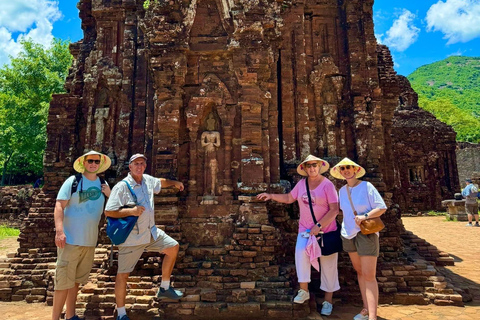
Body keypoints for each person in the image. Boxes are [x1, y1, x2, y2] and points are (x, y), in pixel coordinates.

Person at [257, 154, 340, 316]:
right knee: (301, 253)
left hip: (326, 231)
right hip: (306, 230)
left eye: (314, 165)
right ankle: (304, 290)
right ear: (305, 169)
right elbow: (289, 197)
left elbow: (334, 209)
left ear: (319, 166)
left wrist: (319, 225)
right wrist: (271, 196)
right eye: (309, 166)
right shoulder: (301, 184)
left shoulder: (328, 185)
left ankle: (328, 301)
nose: (312, 168)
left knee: (328, 265)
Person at [105, 154, 185, 320]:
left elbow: (160, 182)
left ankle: (164, 288)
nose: (139, 166)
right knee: (123, 275)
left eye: (142, 163)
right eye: (136, 164)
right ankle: (121, 314)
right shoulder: (122, 187)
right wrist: (131, 211)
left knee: (173, 247)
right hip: (132, 238)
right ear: (130, 166)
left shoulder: (147, 180)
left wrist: (174, 183)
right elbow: (109, 211)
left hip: (150, 233)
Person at [52, 151, 112, 320]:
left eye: (96, 161)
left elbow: (114, 208)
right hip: (70, 239)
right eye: (90, 161)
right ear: (84, 163)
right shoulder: (73, 181)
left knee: (76, 281)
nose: (93, 164)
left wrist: (110, 194)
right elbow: (59, 206)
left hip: (89, 241)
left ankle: (71, 315)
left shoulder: (103, 184)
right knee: (63, 282)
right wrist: (59, 231)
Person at [330, 158, 387, 320]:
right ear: (340, 172)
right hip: (348, 234)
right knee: (360, 272)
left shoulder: (367, 186)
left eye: (349, 167)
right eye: (343, 168)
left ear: (355, 170)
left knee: (369, 275)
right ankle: (366, 308)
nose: (346, 170)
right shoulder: (342, 191)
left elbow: (381, 207)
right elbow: (340, 211)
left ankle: (373, 316)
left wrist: (365, 216)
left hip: (366, 233)